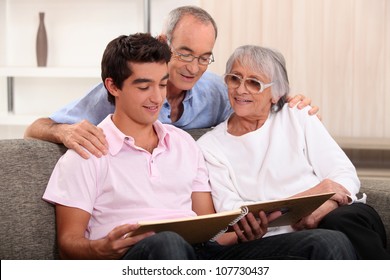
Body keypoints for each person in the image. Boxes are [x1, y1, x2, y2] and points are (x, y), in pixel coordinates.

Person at [42, 33, 357, 260]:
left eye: (163, 84)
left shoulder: (184, 144)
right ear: (113, 86)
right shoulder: (86, 151)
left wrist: (248, 231)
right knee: (167, 243)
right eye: (143, 86)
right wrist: (99, 249)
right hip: (141, 256)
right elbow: (69, 243)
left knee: (327, 243)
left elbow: (211, 230)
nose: (156, 98)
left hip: (202, 254)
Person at [24, 5, 318, 160]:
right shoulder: (121, 93)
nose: (193, 68)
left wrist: (287, 104)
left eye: (204, 58)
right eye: (185, 54)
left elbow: (256, 118)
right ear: (163, 42)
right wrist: (64, 131)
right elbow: (34, 128)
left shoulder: (216, 91)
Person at [197, 45, 389, 260]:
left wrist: (328, 203)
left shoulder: (297, 116)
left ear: (276, 93)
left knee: (341, 222)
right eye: (234, 79)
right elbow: (232, 211)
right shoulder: (209, 146)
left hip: (333, 212)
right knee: (327, 240)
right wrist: (310, 196)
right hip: (277, 237)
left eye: (254, 83)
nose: (241, 89)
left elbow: (343, 172)